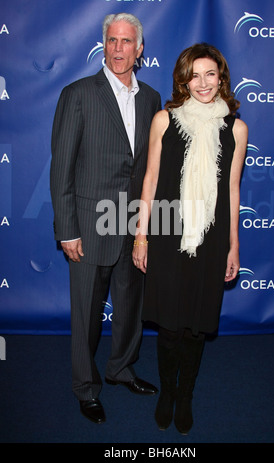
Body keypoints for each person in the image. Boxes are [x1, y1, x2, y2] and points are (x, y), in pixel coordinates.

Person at [50, 13, 161, 424]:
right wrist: (67, 228)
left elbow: (147, 167)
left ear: (139, 49)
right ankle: (85, 386)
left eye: (126, 41)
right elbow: (61, 167)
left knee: (131, 304)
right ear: (103, 45)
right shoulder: (78, 93)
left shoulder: (151, 98)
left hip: (132, 224)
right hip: (89, 225)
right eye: (111, 41)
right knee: (86, 312)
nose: (118, 48)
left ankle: (120, 368)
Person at [132, 43, 248, 435]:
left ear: (221, 78)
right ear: (183, 79)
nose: (202, 83)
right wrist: (141, 236)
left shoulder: (236, 128)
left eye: (210, 74)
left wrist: (232, 245)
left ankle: (186, 396)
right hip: (166, 234)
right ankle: (167, 392)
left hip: (211, 238)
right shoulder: (165, 120)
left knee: (195, 326)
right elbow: (149, 180)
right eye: (194, 75)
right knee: (168, 326)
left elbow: (232, 190)